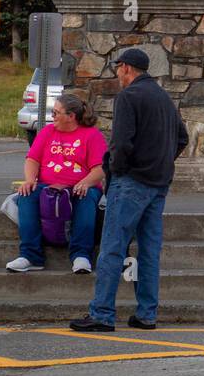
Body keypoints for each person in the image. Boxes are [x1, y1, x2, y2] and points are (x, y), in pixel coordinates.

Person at [71, 48, 187, 332]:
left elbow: (121, 143)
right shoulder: (163, 98)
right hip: (158, 184)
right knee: (148, 250)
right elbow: (182, 138)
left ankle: (102, 313)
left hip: (130, 182)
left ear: (126, 68)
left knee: (113, 246)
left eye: (117, 68)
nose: (117, 74)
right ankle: (147, 313)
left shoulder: (129, 97)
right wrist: (161, 161)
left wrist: (117, 169)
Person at [5, 93, 106, 275]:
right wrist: (29, 180)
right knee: (27, 194)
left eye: (56, 112)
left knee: (87, 196)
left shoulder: (92, 135)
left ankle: (81, 255)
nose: (52, 116)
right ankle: (30, 255)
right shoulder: (47, 132)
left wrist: (85, 182)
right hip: (49, 187)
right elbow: (32, 159)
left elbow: (99, 169)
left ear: (71, 116)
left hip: (79, 187)